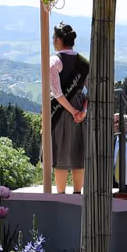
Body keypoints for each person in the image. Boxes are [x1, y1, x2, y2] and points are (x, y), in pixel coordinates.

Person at [47, 22, 89, 192]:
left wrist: (72, 112)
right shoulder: (84, 63)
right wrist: (83, 112)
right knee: (78, 152)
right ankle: (79, 194)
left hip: (61, 111)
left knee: (61, 153)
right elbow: (91, 93)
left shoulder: (54, 60)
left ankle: (61, 195)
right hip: (80, 108)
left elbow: (56, 93)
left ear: (58, 40)